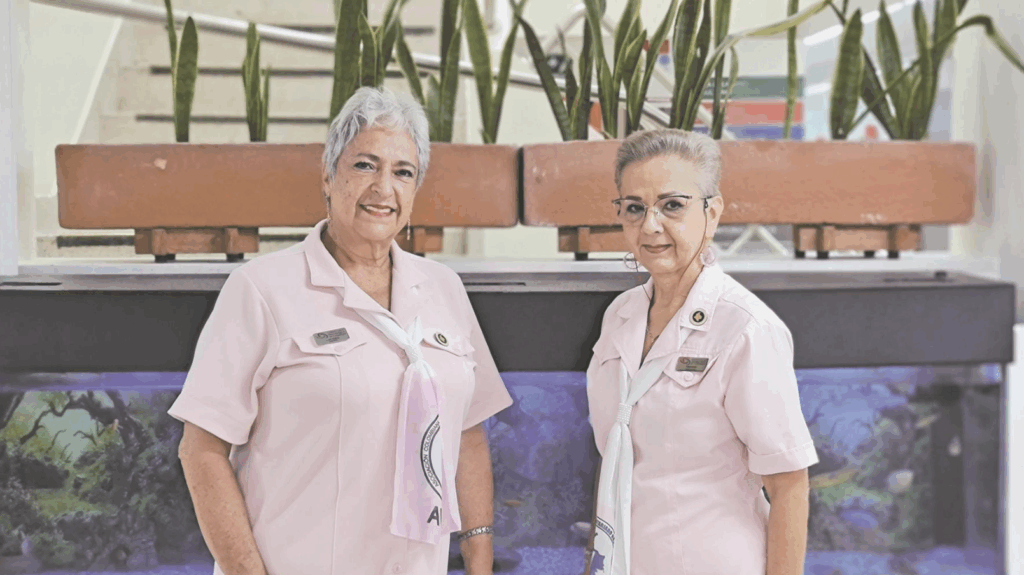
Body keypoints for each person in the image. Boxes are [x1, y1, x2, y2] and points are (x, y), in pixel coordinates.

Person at [169, 87, 512, 575]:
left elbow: (468, 434)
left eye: (402, 172)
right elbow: (201, 447)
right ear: (328, 176)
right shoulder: (262, 289)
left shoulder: (444, 289)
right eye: (364, 165)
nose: (383, 189)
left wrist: (479, 561)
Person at [585, 129, 818, 575]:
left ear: (713, 212)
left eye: (673, 205)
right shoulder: (621, 316)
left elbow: (789, 484)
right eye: (634, 208)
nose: (651, 225)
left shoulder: (747, 329)